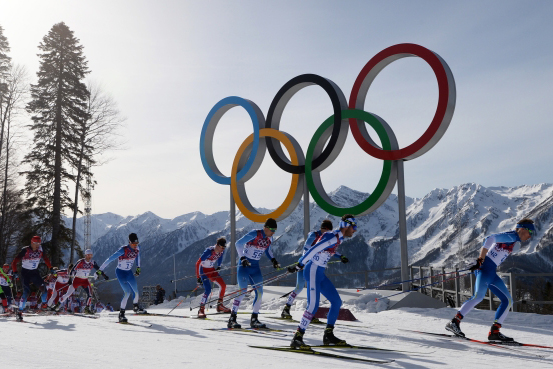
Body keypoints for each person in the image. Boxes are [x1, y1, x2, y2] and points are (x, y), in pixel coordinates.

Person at [445, 218, 535, 342]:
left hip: (491, 272)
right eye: (530, 232)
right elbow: (490, 239)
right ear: (523, 229)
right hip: (484, 270)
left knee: (507, 300)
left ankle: (495, 332)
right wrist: (480, 260)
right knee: (478, 297)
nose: (530, 236)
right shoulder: (511, 236)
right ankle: (454, 322)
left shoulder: (513, 240)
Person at [288, 214, 357, 349]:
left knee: (336, 302)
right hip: (312, 270)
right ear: (347, 225)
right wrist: (300, 264)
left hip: (319, 273)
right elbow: (314, 249)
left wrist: (340, 256)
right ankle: (297, 337)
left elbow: (324, 249)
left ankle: (328, 335)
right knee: (313, 305)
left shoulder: (338, 238)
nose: (355, 230)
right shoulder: (332, 236)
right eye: (353, 227)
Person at [281, 220, 343, 321]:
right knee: (299, 288)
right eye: (327, 231)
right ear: (325, 229)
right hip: (304, 265)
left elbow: (330, 250)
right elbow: (306, 249)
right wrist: (306, 261)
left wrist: (340, 256)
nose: (328, 234)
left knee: (313, 291)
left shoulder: (326, 238)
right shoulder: (314, 235)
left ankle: (310, 314)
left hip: (313, 266)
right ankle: (286, 309)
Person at [227, 218, 281, 329]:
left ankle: (254, 319)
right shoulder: (255, 234)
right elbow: (238, 243)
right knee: (242, 292)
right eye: (272, 230)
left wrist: (273, 260)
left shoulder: (269, 238)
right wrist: (242, 258)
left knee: (260, 292)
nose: (273, 232)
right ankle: (232, 319)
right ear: (265, 228)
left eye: (275, 230)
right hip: (244, 266)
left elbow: (268, 249)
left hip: (255, 267)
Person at [97, 233, 142, 323]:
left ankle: (136, 307)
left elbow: (138, 256)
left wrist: (138, 267)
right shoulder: (123, 250)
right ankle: (121, 314)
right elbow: (110, 259)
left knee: (136, 291)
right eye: (133, 244)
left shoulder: (137, 248)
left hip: (129, 272)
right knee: (127, 292)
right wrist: (100, 270)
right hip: (120, 272)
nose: (135, 245)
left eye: (136, 243)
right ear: (129, 242)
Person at [11, 235, 53, 321]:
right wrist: (15, 272)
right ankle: (19, 312)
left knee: (44, 289)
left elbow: (46, 259)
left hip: (34, 272)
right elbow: (14, 262)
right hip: (25, 273)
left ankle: (44, 305)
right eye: (35, 243)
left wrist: (51, 268)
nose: (37, 245)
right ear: (32, 242)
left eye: (39, 243)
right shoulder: (25, 250)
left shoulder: (40, 250)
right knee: (26, 292)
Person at [54, 249, 100, 314]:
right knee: (68, 294)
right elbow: (73, 270)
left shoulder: (92, 262)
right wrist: (70, 279)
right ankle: (57, 305)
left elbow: (99, 269)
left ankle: (87, 309)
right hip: (77, 280)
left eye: (91, 255)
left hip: (85, 281)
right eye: (89, 255)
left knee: (90, 295)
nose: (90, 257)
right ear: (86, 255)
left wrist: (101, 274)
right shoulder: (81, 261)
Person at [196, 237, 230, 318]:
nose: (223, 250)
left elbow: (220, 257)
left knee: (223, 285)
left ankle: (219, 306)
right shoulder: (209, 251)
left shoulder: (221, 251)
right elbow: (198, 263)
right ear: (217, 246)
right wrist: (198, 277)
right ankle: (201, 309)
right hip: (203, 271)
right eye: (222, 248)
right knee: (208, 290)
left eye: (224, 248)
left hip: (212, 270)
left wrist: (218, 265)